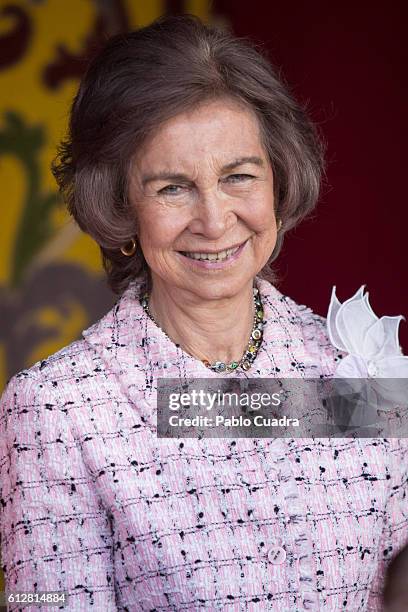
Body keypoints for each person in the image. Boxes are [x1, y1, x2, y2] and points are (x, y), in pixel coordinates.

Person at [0, 14, 407, 612]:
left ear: (278, 181)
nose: (215, 221)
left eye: (239, 177)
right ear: (119, 205)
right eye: (172, 187)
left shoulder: (360, 368)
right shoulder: (58, 411)